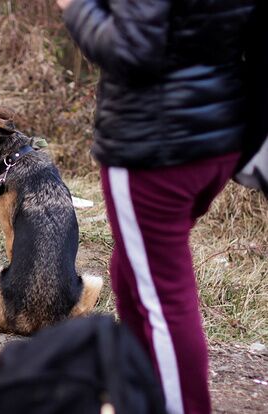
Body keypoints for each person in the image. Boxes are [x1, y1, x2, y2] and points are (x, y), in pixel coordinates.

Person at [57, 1, 259, 413]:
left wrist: (75, 6)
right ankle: (137, 393)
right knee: (129, 272)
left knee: (162, 298)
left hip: (156, 147)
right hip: (219, 136)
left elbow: (131, 49)